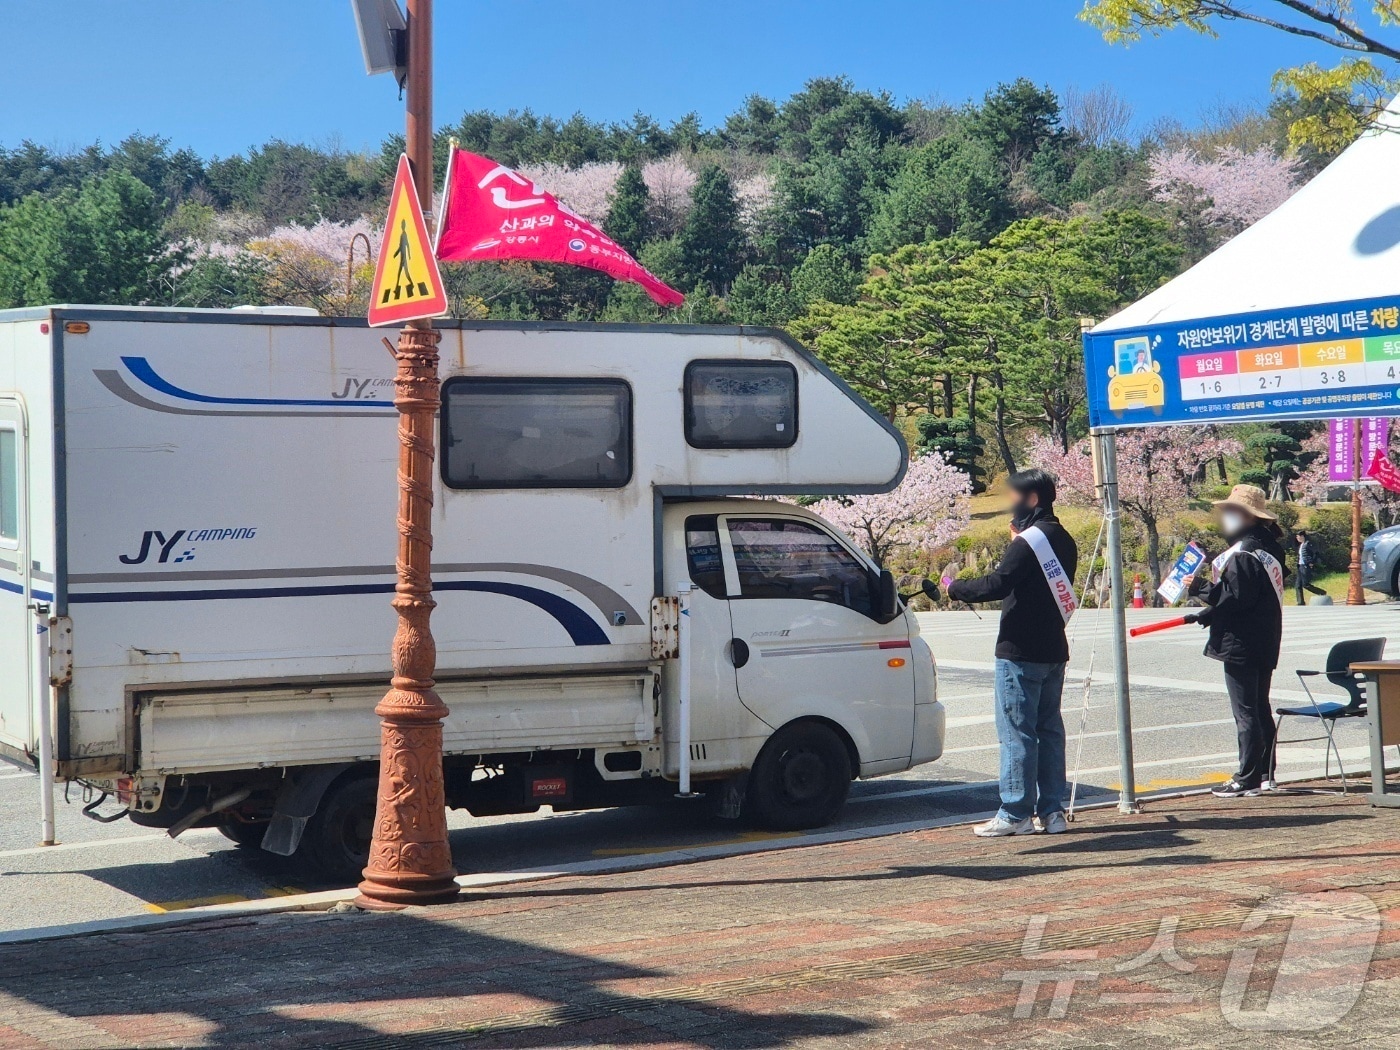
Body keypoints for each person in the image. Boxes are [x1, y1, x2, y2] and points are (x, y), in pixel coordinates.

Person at [948, 469, 1079, 837]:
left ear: (1032, 499)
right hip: (1054, 647)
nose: (1011, 504)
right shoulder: (1064, 539)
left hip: (1019, 650)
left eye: (1015, 497)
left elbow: (998, 582)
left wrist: (956, 587)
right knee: (1049, 730)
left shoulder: (1028, 542)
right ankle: (1052, 812)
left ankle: (1015, 812)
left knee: (1017, 733)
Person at [1184, 484, 1286, 798]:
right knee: (1259, 708)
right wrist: (1210, 612)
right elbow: (1252, 598)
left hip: (1240, 642)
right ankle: (1265, 773)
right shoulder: (1270, 549)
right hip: (1265, 637)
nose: (1225, 516)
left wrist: (1199, 586)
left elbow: (1236, 598)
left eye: (1230, 511)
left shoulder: (1243, 553)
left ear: (1245, 515)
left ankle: (1246, 777)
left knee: (1246, 712)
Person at [1294, 529, 1325, 605]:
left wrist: (1312, 562)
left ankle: (1321, 592)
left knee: (1305, 584)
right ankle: (1300, 602)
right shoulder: (1301, 545)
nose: (1297, 539)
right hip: (1300, 566)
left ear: (1302, 536)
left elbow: (1316, 553)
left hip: (1305, 566)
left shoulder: (1308, 544)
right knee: (1298, 585)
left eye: (1298, 537)